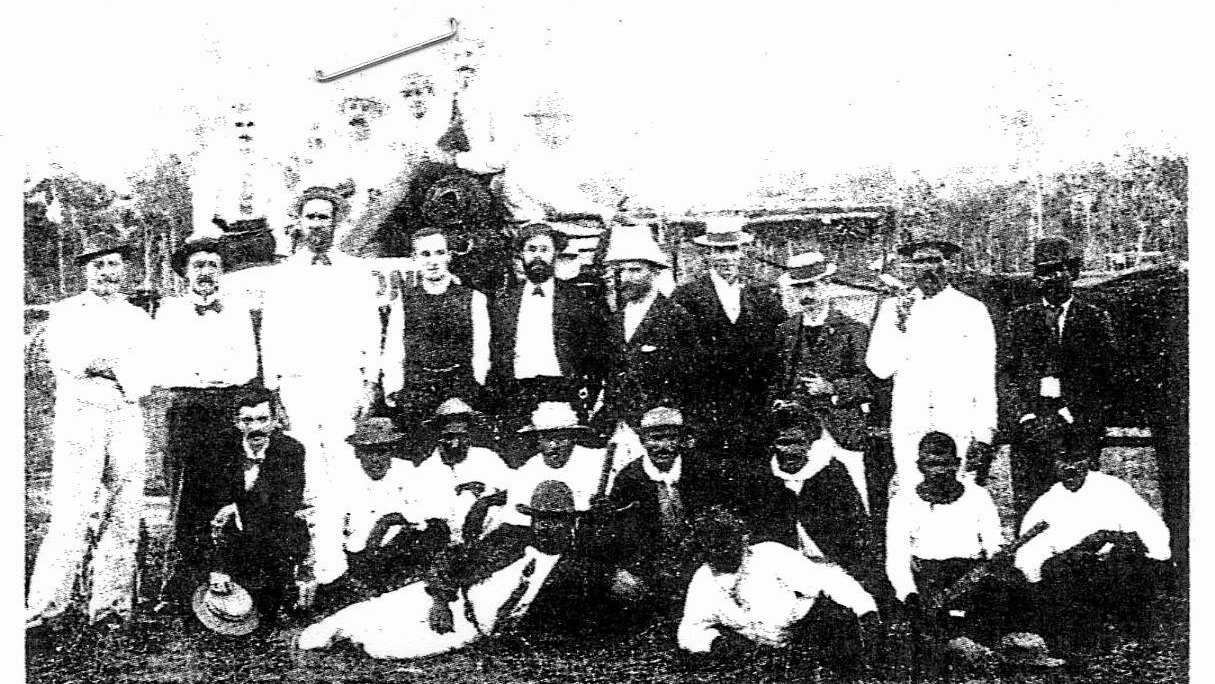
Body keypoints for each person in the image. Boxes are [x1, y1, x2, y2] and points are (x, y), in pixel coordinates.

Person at [298, 480, 630, 658]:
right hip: (446, 597)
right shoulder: (509, 539)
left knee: (386, 649)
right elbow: (450, 558)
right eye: (541, 517)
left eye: (557, 519)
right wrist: (441, 602)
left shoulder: (572, 568)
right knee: (338, 626)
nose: (547, 527)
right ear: (532, 518)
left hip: (471, 627)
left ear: (570, 523)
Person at [27, 229, 154, 631]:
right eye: (98, 264)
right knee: (72, 508)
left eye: (113, 263)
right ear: (86, 271)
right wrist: (112, 366)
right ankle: (47, 606)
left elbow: (145, 374)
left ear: (124, 268)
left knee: (125, 507)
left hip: (125, 411)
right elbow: (68, 360)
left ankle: (111, 607)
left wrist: (110, 367)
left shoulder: (137, 316)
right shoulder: (65, 312)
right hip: (80, 414)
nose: (107, 271)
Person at [259, 184, 383, 586]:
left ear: (336, 223)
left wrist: (369, 384)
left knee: (345, 469)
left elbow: (370, 330)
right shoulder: (282, 275)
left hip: (343, 380)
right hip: (299, 384)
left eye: (324, 217)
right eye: (310, 216)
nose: (316, 224)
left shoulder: (357, 272)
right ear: (299, 222)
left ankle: (345, 566)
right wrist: (273, 390)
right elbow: (271, 335)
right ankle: (312, 566)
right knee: (308, 472)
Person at [153, 235, 261, 609]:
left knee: (230, 491)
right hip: (187, 409)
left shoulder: (237, 310)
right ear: (185, 272)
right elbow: (166, 365)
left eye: (213, 265)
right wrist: (205, 375)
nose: (206, 273)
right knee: (186, 496)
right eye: (198, 266)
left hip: (227, 408)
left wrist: (217, 378)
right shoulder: (170, 311)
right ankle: (180, 585)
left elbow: (247, 364)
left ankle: (230, 577)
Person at [1015, 434, 1171, 656]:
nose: (1070, 468)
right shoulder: (1047, 503)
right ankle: (1082, 639)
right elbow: (1028, 557)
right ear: (1053, 463)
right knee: (1058, 572)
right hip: (1076, 577)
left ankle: (1131, 633)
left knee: (1125, 562)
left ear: (1088, 460)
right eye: (1062, 460)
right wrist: (1076, 552)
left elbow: (1153, 532)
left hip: (1113, 569)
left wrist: (1110, 537)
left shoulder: (1113, 489)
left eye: (1076, 460)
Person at [677, 507, 881, 675]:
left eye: (727, 542)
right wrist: (715, 642)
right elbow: (690, 629)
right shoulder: (703, 580)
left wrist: (864, 610)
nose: (721, 551)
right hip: (763, 654)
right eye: (712, 545)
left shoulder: (769, 554)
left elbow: (828, 579)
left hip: (805, 631)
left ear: (742, 539)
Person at [865, 231, 996, 487]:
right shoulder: (893, 308)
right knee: (912, 493)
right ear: (910, 267)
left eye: (935, 260)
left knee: (959, 494)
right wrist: (899, 328)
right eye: (920, 262)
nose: (928, 269)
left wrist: (984, 435)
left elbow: (984, 376)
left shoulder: (971, 310)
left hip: (957, 420)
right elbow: (880, 367)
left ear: (948, 264)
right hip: (910, 421)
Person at [885, 432, 1025, 666]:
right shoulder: (903, 499)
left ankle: (987, 647)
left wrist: (998, 558)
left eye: (945, 464)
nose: (939, 471)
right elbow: (896, 557)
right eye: (931, 464)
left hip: (972, 572)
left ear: (957, 464)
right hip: (929, 576)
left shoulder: (978, 496)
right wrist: (909, 594)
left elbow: (992, 544)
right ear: (920, 466)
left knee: (1009, 590)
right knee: (924, 624)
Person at [1004, 236, 1118, 520]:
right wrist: (1026, 417)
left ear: (1074, 272)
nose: (1050, 278)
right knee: (1030, 505)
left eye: (1057, 270)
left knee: (1079, 508)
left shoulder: (1094, 319)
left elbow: (1105, 379)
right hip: (1031, 426)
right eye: (1042, 272)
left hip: (1077, 427)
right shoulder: (1019, 319)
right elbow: (1006, 375)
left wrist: (1070, 415)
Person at [672, 216, 783, 479]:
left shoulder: (762, 295)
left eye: (732, 250)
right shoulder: (686, 296)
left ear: (742, 252)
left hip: (753, 406)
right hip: (707, 405)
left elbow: (779, 346)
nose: (726, 257)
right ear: (708, 254)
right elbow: (680, 358)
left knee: (753, 473)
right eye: (719, 251)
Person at [487, 222, 611, 439]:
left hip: (562, 390)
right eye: (531, 249)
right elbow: (496, 351)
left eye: (544, 250)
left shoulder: (575, 298)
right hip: (518, 393)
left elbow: (595, 354)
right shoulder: (504, 302)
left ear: (555, 254)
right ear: (521, 256)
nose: (537, 256)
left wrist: (586, 394)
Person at [206, 388, 311, 630]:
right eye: (247, 420)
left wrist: (238, 508)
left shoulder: (290, 450)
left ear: (275, 421)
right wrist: (217, 566)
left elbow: (287, 504)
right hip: (229, 538)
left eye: (263, 419)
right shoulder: (219, 451)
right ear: (236, 423)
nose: (256, 427)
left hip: (272, 536)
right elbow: (206, 507)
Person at [327, 417, 451, 606]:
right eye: (368, 452)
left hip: (399, 547)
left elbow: (429, 509)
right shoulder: (343, 482)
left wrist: (387, 521)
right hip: (364, 557)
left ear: (392, 450)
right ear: (357, 453)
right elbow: (331, 531)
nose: (376, 459)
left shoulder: (406, 472)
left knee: (435, 532)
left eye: (382, 451)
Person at [601, 407, 713, 614]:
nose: (663, 447)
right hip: (651, 566)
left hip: (697, 561)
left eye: (670, 438)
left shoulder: (699, 470)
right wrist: (619, 571)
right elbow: (614, 533)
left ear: (680, 440)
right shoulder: (629, 478)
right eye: (655, 438)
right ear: (642, 441)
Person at [382, 226, 491, 437]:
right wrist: (394, 389)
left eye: (439, 253)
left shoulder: (473, 298)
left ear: (449, 256)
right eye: (425, 254)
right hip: (418, 388)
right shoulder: (404, 301)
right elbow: (394, 349)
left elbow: (481, 349)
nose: (433, 261)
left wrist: (476, 386)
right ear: (414, 258)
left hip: (461, 386)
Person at [752, 405, 872, 590]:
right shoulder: (766, 479)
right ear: (773, 444)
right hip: (786, 574)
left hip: (834, 568)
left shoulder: (831, 474)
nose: (791, 450)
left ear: (810, 443)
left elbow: (857, 529)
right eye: (783, 442)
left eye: (798, 442)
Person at [597, 226, 693, 433]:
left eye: (635, 270)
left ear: (655, 272)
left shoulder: (675, 316)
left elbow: (689, 378)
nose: (626, 278)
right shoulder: (616, 319)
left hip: (660, 424)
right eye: (622, 271)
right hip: (620, 424)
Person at [486, 402, 606, 537]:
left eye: (561, 438)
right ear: (538, 440)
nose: (554, 445)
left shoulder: (596, 462)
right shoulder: (527, 472)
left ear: (573, 437)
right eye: (547, 439)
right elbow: (515, 519)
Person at [410, 398, 511, 545]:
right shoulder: (425, 471)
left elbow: (515, 492)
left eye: (462, 436)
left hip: (488, 540)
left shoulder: (487, 458)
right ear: (439, 436)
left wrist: (485, 501)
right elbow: (421, 517)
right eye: (450, 436)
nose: (456, 443)